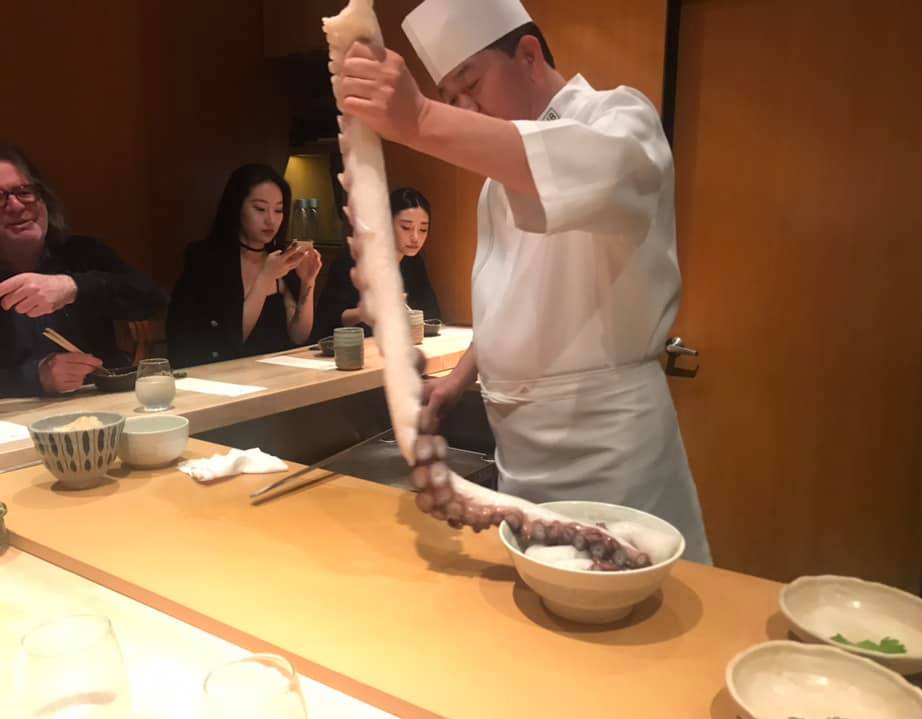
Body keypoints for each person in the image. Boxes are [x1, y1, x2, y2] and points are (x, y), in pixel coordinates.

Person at [337, 0, 712, 562]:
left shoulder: (618, 116)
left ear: (529, 55)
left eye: (471, 85)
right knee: (537, 589)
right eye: (451, 98)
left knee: (628, 588)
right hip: (519, 455)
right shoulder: (498, 182)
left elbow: (609, 171)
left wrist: (421, 119)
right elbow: (514, 301)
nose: (465, 108)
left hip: (611, 450)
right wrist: (456, 381)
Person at [0, 145, 167, 397]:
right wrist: (36, 377)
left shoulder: (81, 253)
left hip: (104, 405)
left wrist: (73, 286)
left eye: (24, 192)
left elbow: (153, 301)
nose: (15, 205)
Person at [167, 164, 323, 368]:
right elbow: (230, 340)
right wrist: (265, 278)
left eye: (278, 210)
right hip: (223, 373)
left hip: (278, 373)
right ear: (236, 207)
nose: (271, 220)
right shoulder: (207, 259)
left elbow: (299, 336)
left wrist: (308, 282)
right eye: (260, 209)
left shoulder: (281, 257)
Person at [317, 186, 442, 336]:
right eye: (406, 227)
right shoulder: (353, 260)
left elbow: (430, 313)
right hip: (353, 344)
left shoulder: (413, 263)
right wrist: (364, 312)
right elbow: (328, 319)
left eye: (423, 230)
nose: (415, 237)